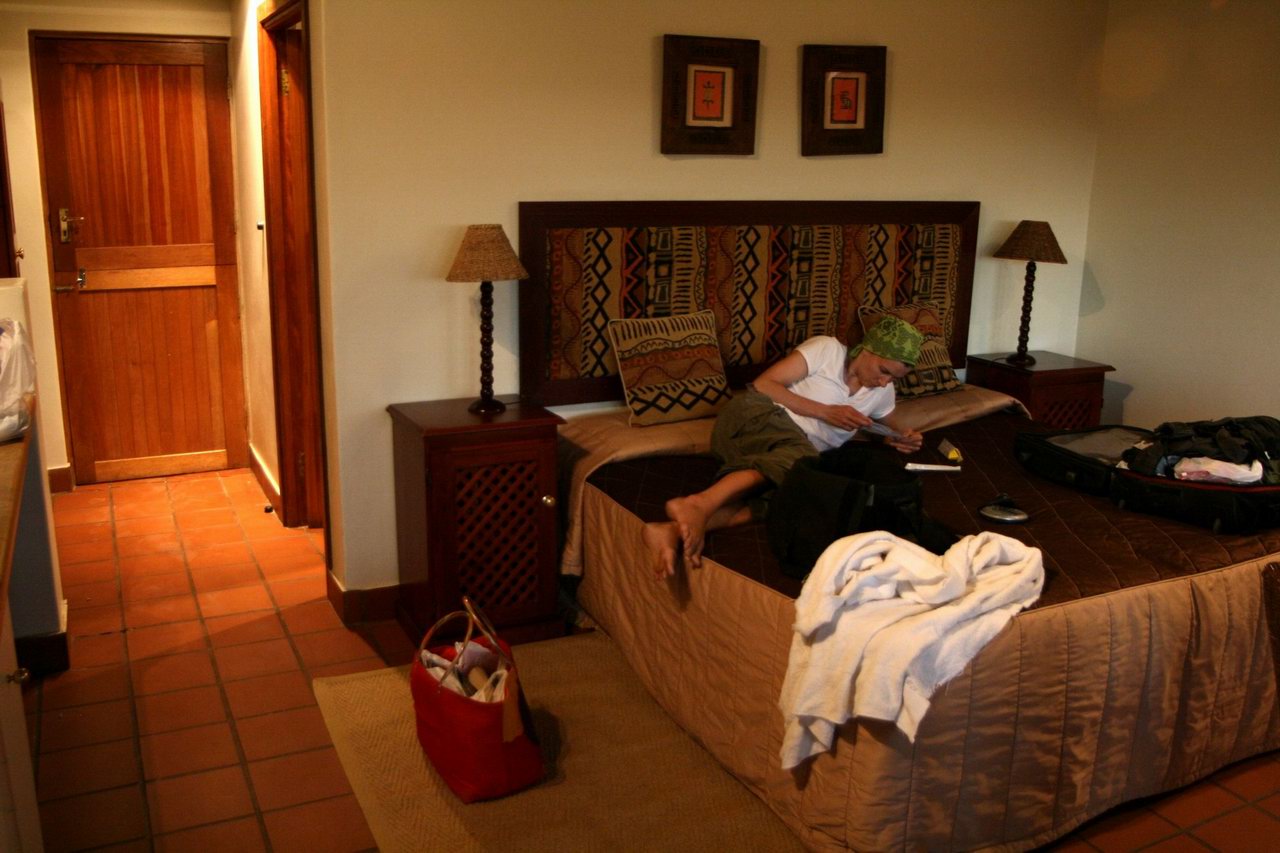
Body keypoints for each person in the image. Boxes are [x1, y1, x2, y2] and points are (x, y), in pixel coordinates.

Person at [641, 315, 925, 579]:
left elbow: (891, 425)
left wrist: (899, 436)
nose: (884, 382)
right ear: (867, 349)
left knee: (796, 497)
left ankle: (673, 531)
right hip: (754, 419)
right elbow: (763, 384)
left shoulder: (882, 392)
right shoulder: (827, 350)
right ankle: (697, 503)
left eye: (893, 378)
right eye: (884, 371)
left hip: (786, 455)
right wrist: (825, 412)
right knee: (803, 464)